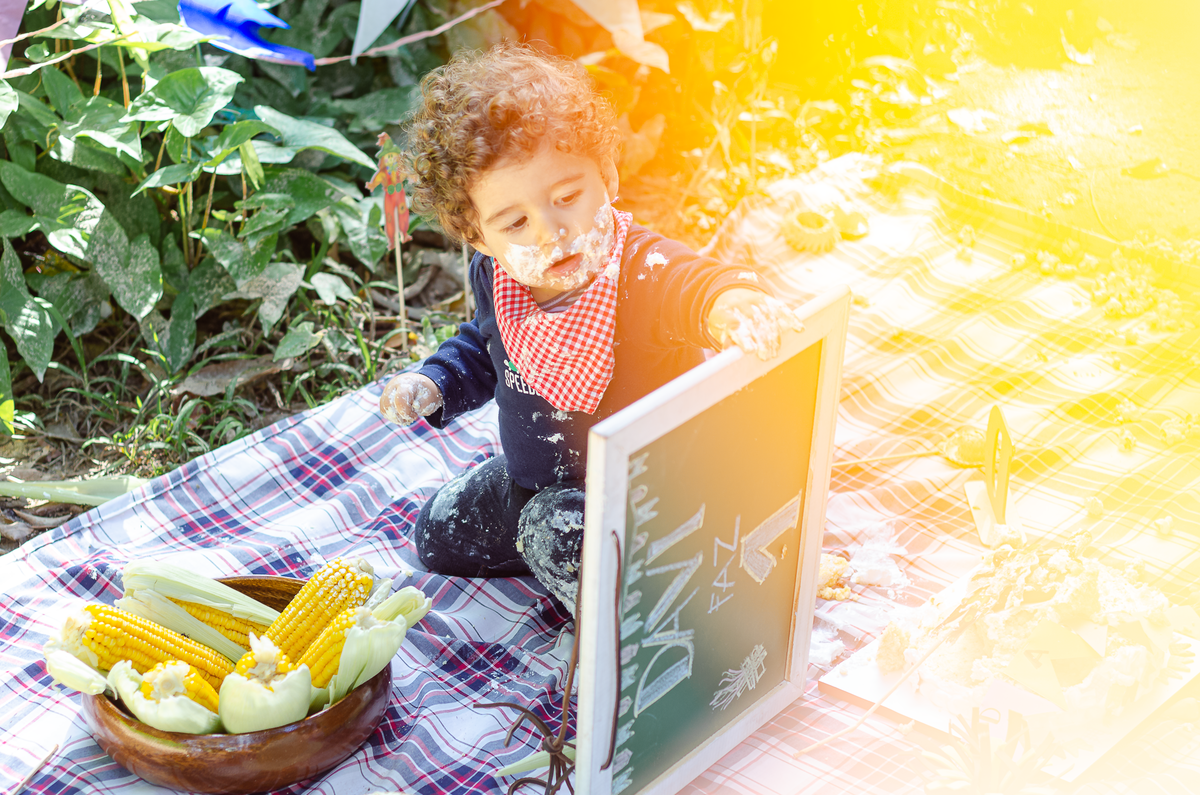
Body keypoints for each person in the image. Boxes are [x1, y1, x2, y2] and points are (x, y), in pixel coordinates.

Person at [380, 43, 801, 614]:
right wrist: (435, 382)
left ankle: (634, 619)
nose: (552, 231)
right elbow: (485, 345)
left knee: (552, 533)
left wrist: (731, 305)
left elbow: (695, 284)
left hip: (646, 497)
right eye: (515, 222)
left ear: (608, 175)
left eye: (568, 197)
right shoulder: (496, 274)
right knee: (436, 532)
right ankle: (557, 556)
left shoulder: (641, 270)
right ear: (478, 237)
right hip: (538, 481)